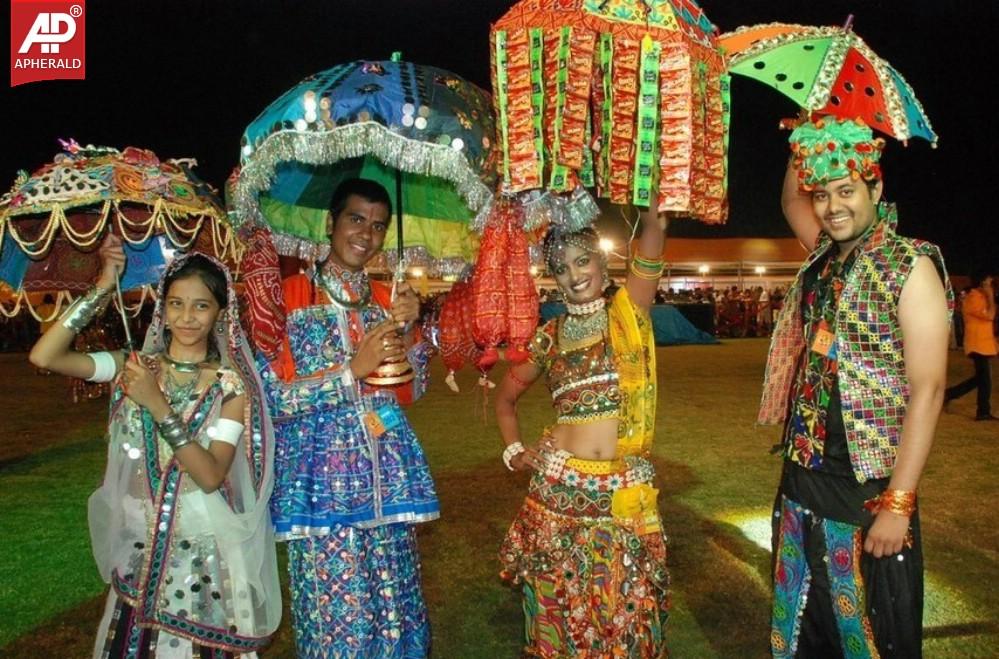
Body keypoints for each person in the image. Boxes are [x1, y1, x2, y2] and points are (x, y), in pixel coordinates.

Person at [30, 235, 279, 657]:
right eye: (177, 303)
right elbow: (45, 356)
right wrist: (102, 289)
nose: (187, 317)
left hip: (205, 558)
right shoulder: (134, 369)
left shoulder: (229, 387)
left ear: (220, 313)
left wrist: (157, 404)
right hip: (142, 555)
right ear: (162, 310)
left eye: (201, 305)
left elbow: (211, 474)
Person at [760, 117, 952, 658]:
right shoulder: (824, 254)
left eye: (845, 190)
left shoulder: (909, 265)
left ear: (876, 187)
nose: (830, 206)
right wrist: (806, 126)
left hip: (866, 485)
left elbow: (930, 388)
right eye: (821, 194)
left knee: (867, 631)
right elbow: (788, 203)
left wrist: (898, 503)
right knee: (800, 624)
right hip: (802, 475)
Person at [255, 178, 439, 656]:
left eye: (379, 225)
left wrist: (411, 328)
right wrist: (349, 372)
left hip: (388, 481)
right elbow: (270, 400)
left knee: (394, 603)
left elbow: (410, 392)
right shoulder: (287, 297)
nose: (367, 234)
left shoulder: (388, 299)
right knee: (338, 612)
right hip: (321, 491)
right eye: (356, 219)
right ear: (330, 222)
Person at [495, 208, 669, 657]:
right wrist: (514, 450)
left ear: (603, 263)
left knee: (625, 609)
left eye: (582, 261)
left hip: (620, 490)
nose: (573, 275)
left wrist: (652, 212)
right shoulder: (549, 336)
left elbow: (653, 237)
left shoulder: (628, 313)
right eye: (561, 267)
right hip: (557, 491)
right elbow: (505, 400)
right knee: (558, 611)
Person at [944, 271, 997, 420]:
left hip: (982, 343)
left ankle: (951, 394)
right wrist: (990, 296)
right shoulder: (974, 298)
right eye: (988, 281)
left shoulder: (978, 297)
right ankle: (982, 411)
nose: (991, 284)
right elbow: (991, 315)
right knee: (984, 380)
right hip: (977, 344)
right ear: (982, 282)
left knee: (981, 379)